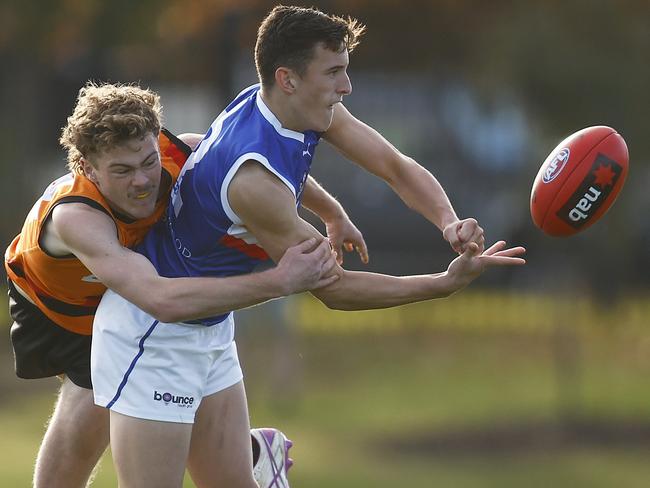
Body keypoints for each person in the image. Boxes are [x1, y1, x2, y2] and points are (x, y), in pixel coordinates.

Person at [91, 5, 526, 488]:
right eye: (334, 72)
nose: (347, 86)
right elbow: (333, 288)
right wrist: (441, 285)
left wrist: (447, 222)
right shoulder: (253, 183)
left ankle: (262, 463)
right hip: (154, 336)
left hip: (211, 328)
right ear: (289, 78)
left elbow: (395, 167)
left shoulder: (281, 105)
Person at [5, 81, 368, 488]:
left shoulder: (184, 153)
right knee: (84, 425)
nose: (142, 181)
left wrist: (332, 213)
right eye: (122, 171)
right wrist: (280, 281)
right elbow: (160, 298)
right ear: (87, 168)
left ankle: (246, 456)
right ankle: (248, 454)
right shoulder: (77, 218)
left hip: (130, 291)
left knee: (132, 399)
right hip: (58, 306)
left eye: (147, 161)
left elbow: (257, 169)